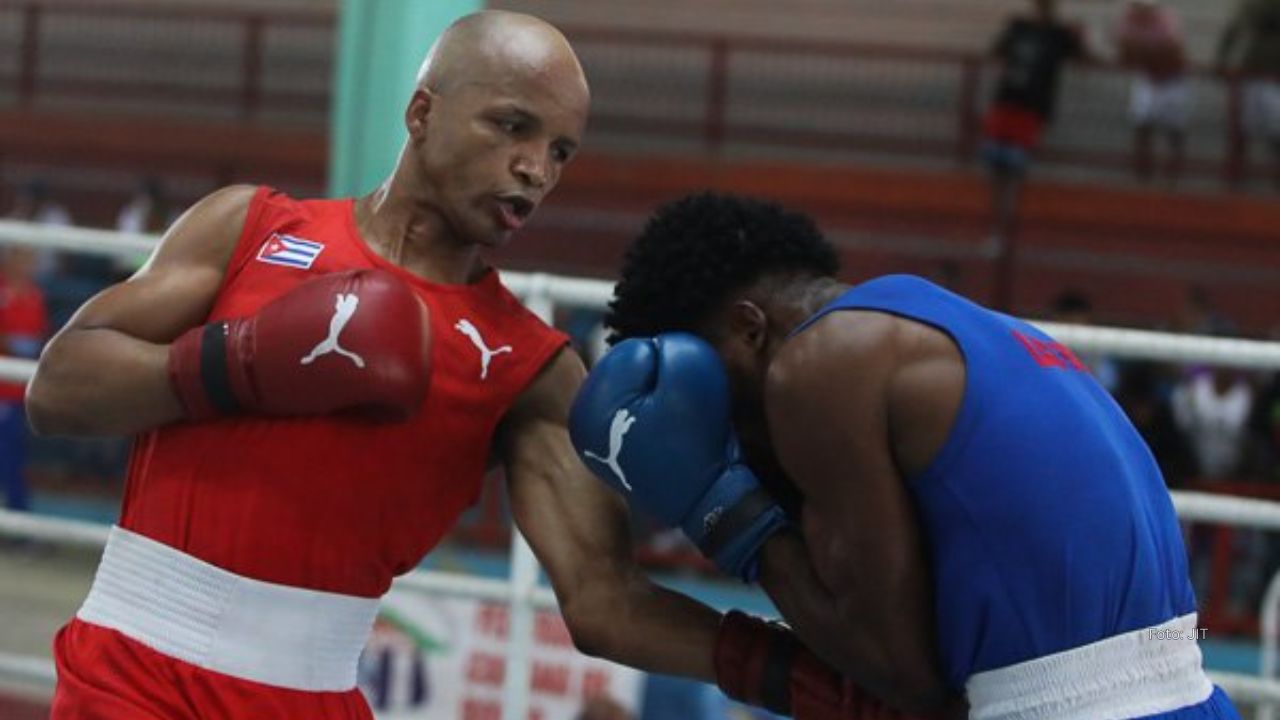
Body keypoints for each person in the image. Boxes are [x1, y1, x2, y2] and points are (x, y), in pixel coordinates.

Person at [26, 12, 909, 720]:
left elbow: (604, 602)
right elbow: (60, 387)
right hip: (127, 676)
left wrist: (802, 679)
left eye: (560, 151)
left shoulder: (529, 370)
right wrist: (239, 364)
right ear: (422, 114)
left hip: (309, 694)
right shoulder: (253, 228)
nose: (534, 169)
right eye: (512, 127)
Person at [569, 192, 1241, 718]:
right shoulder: (957, 324)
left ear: (749, 329)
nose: (746, 437)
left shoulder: (816, 364)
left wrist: (723, 509)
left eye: (732, 410)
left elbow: (902, 674)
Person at [981, 0, 1087, 247]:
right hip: (1006, 105)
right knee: (998, 170)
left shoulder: (1059, 35)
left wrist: (1079, 36)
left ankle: (1008, 229)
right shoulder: (1019, 27)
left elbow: (1083, 59)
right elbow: (996, 52)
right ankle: (997, 227)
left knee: (1015, 172)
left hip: (1029, 112)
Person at [1115, 0, 1190, 186]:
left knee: (1174, 129)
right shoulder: (1128, 18)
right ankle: (1143, 176)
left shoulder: (1166, 19)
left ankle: (1173, 177)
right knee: (1141, 124)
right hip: (1148, 78)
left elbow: (1172, 51)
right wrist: (1149, 53)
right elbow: (1123, 51)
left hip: (1172, 80)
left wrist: (1142, 52)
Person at [0, 245, 48, 515]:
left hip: (20, 391)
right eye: (23, 257)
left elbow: (40, 336)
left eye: (32, 258)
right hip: (1, 387)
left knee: (13, 460)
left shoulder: (35, 296)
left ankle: (19, 528)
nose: (28, 264)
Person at [1217, 0, 1280, 188]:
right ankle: (1236, 182)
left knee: (1274, 136)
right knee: (1243, 131)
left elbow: (1234, 29)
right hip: (1256, 72)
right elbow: (1234, 29)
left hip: (1268, 74)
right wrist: (1222, 59)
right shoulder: (1255, 5)